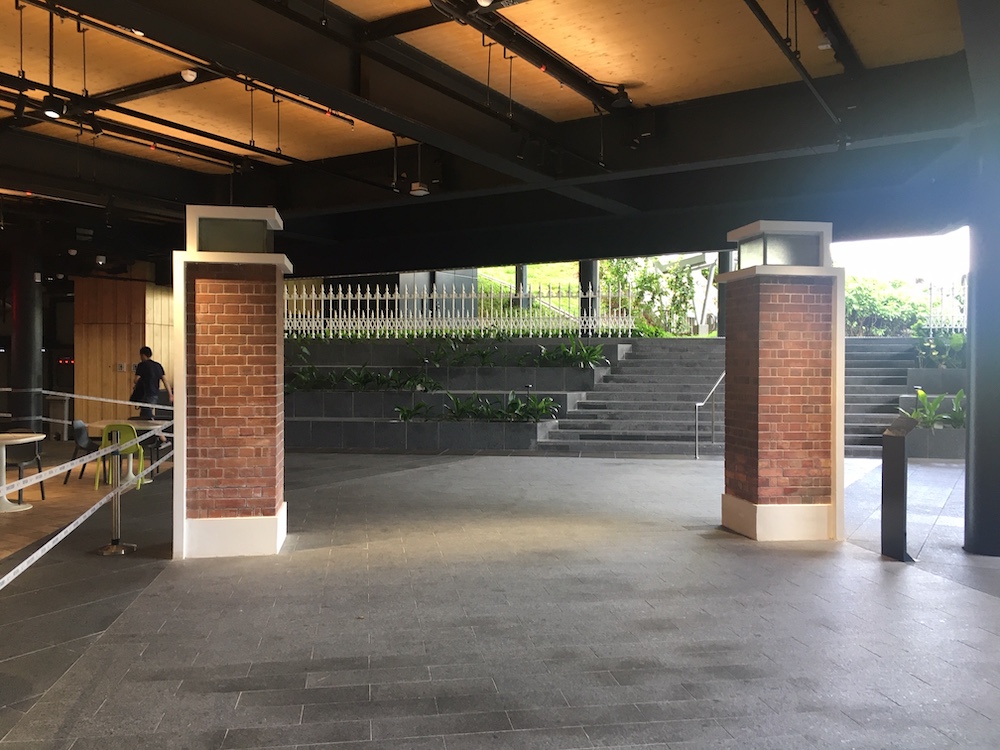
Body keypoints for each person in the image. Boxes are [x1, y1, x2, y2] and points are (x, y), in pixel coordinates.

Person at [133, 346, 173, 445]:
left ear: (142, 355)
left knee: (148, 417)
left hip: (146, 394)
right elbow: (165, 380)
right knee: (144, 416)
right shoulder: (158, 366)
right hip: (155, 394)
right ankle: (154, 439)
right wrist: (170, 394)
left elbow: (136, 380)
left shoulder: (142, 365)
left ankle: (164, 439)